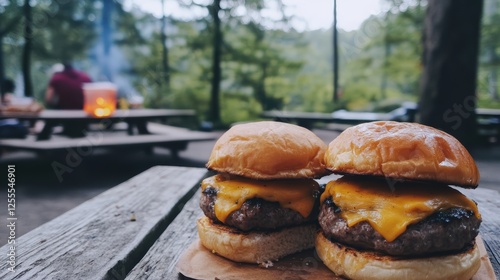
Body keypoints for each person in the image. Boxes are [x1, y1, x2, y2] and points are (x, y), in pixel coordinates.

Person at [43, 63, 92, 138]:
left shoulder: (57, 78)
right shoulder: (85, 77)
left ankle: (43, 137)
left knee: (54, 111)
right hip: (84, 116)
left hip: (65, 114)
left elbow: (48, 99)